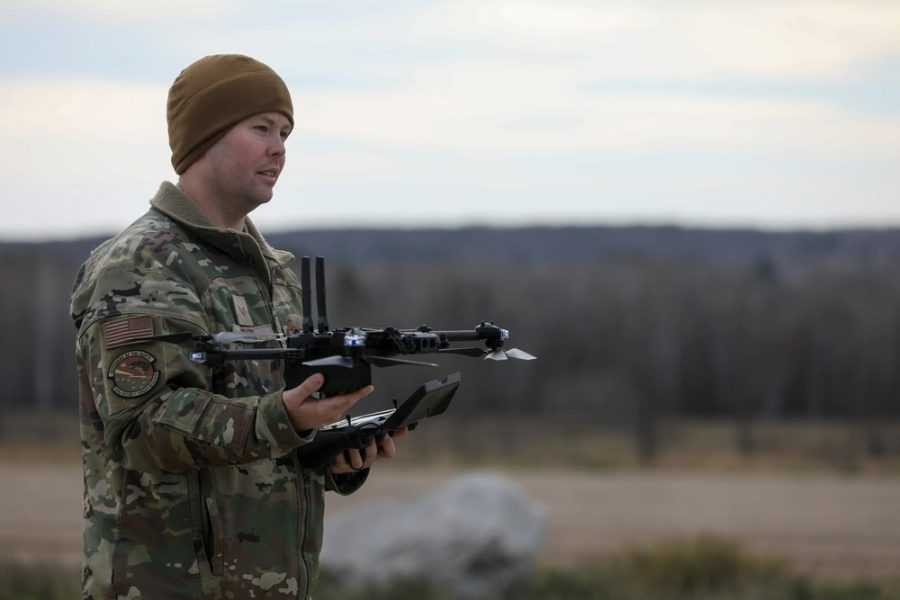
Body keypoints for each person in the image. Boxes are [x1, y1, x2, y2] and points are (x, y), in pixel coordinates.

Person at [70, 54, 404, 600]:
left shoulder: (275, 273)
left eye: (286, 132)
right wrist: (283, 419)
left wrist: (331, 452)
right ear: (205, 136)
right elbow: (142, 429)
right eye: (262, 128)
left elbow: (270, 439)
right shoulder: (140, 265)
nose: (280, 148)